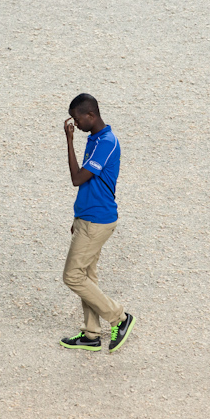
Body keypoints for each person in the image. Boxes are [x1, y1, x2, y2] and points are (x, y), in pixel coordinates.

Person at [59, 93, 135, 352]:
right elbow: (90, 185)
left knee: (72, 276)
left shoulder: (107, 143)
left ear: (91, 115)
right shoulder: (94, 138)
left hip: (97, 221)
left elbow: (78, 178)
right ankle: (91, 335)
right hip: (86, 217)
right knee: (87, 276)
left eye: (78, 119)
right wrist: (78, 217)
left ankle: (120, 318)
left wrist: (69, 141)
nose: (76, 125)